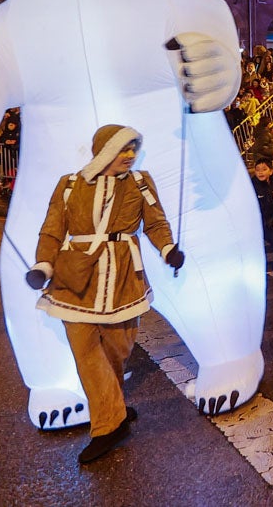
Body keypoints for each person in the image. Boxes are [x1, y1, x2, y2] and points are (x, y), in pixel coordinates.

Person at [25, 124, 186, 464]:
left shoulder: (140, 181)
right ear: (104, 150)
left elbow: (155, 222)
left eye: (133, 149)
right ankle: (109, 427)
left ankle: (113, 409)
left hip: (124, 277)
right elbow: (53, 228)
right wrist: (43, 265)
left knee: (117, 351)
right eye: (123, 149)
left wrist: (168, 249)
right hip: (74, 277)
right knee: (86, 352)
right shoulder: (69, 184)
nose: (130, 155)